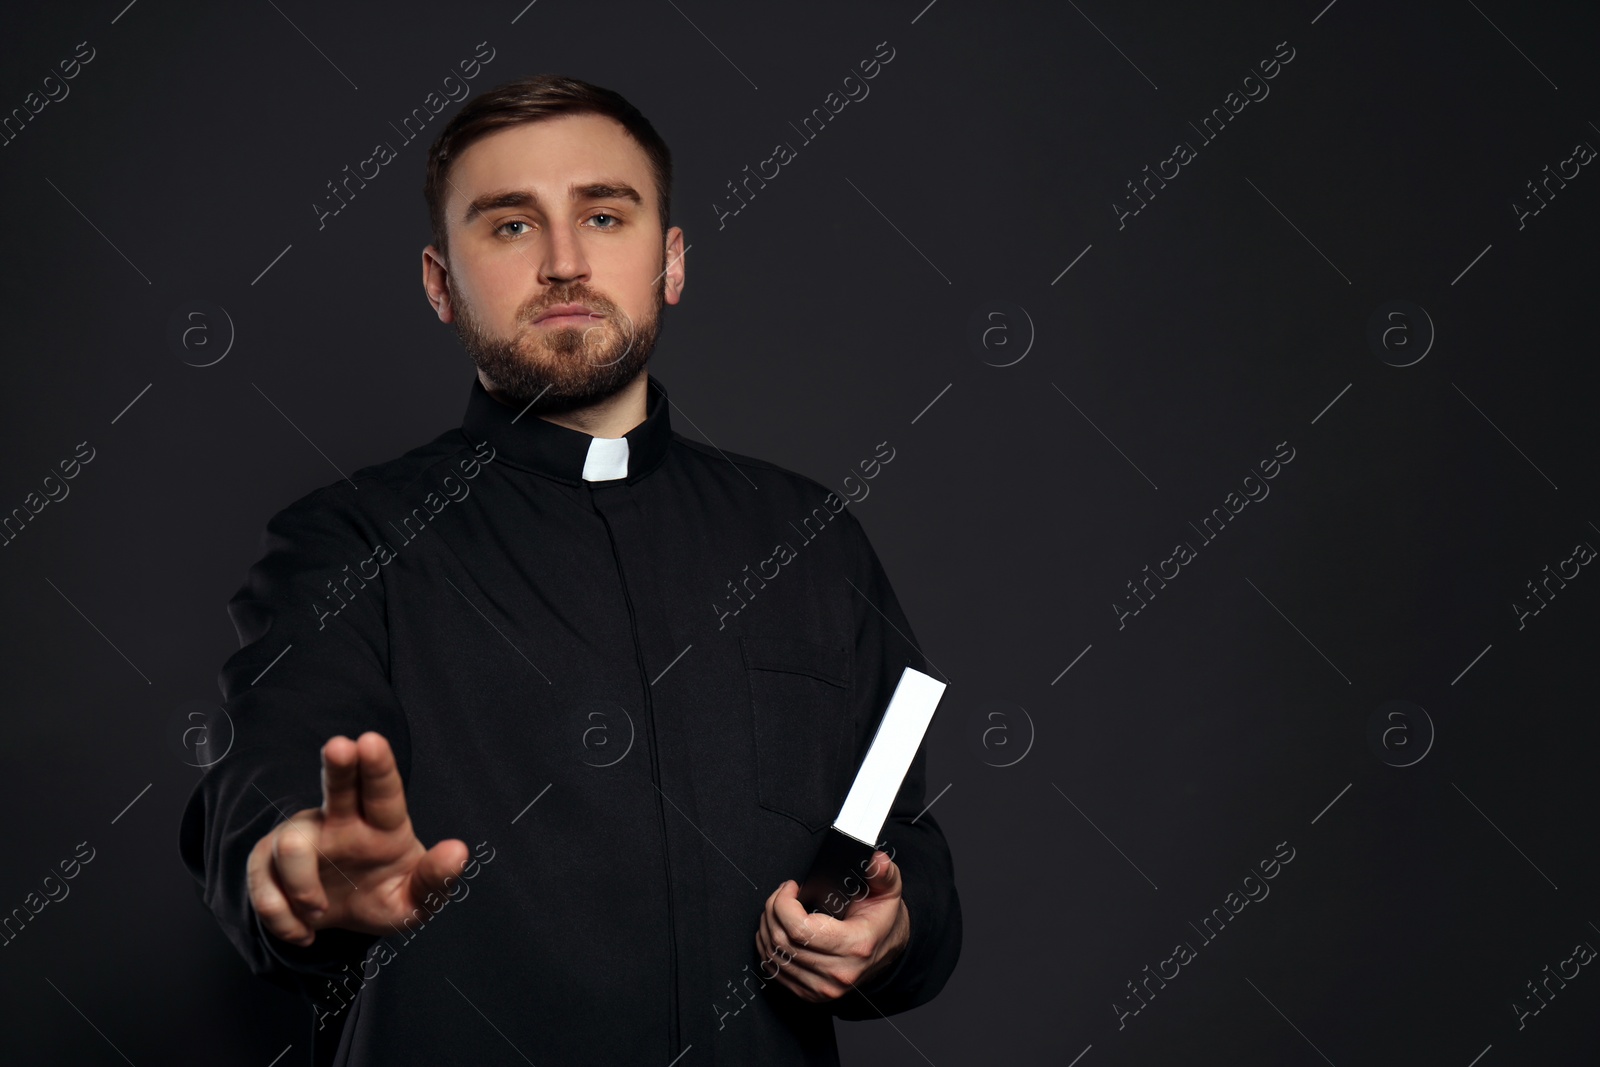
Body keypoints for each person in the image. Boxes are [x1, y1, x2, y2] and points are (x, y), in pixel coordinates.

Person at [178, 73, 961, 1066]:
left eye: (602, 213)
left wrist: (894, 929)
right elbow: (263, 785)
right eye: (509, 226)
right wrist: (289, 868)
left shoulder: (810, 535)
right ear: (439, 284)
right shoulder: (345, 541)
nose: (562, 262)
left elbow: (904, 840)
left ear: (669, 261)